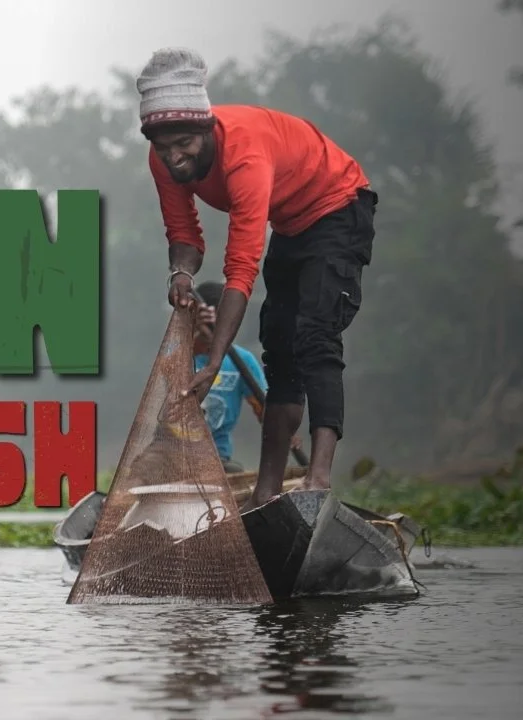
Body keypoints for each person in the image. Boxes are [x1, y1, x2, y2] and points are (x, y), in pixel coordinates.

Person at [135, 47, 377, 512]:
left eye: (184, 143)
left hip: (338, 205)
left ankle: (318, 478)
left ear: (205, 130)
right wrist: (181, 272)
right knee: (279, 347)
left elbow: (241, 268)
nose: (175, 157)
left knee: (315, 335)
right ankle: (267, 495)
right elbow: (184, 234)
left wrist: (215, 360)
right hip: (291, 223)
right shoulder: (161, 160)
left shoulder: (243, 154)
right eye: (164, 147)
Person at [191, 281, 266, 474]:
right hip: (171, 453)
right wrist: (197, 339)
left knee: (233, 477)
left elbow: (265, 411)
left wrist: (283, 427)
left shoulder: (242, 360)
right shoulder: (178, 354)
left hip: (217, 457)